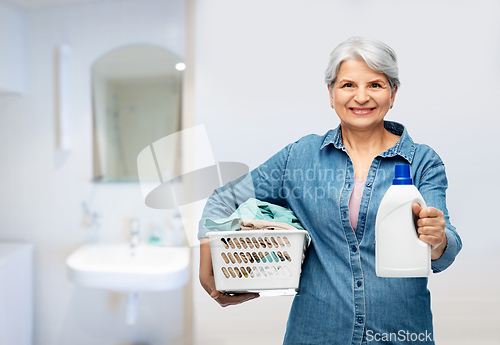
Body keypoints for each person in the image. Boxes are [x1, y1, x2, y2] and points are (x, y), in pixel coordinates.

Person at [198, 37, 462, 344]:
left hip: (401, 333)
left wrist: (437, 238)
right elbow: (223, 199)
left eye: (375, 85)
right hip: (316, 332)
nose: (361, 97)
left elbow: (443, 250)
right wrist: (209, 264)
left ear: (393, 94)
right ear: (331, 92)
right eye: (348, 85)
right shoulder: (301, 157)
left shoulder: (422, 161)